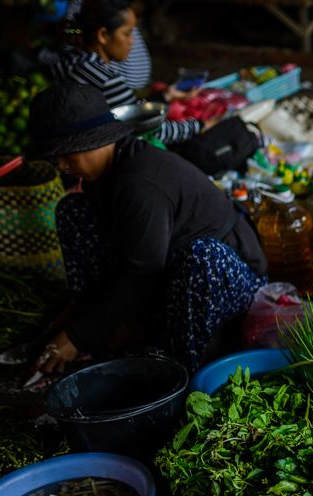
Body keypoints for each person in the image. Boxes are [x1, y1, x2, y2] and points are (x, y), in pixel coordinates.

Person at [28, 82, 268, 374]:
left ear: (99, 140)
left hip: (229, 278)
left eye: (69, 154)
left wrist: (78, 336)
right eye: (56, 157)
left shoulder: (139, 184)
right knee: (72, 210)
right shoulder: (104, 172)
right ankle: (116, 328)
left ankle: (185, 372)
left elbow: (143, 272)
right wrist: (84, 321)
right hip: (166, 269)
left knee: (201, 258)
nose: (61, 165)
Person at [51, 0, 202, 145]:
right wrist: (199, 126)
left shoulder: (72, 61)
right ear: (102, 35)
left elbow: (130, 109)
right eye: (127, 33)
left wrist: (166, 95)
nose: (132, 41)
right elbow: (148, 131)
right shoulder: (104, 79)